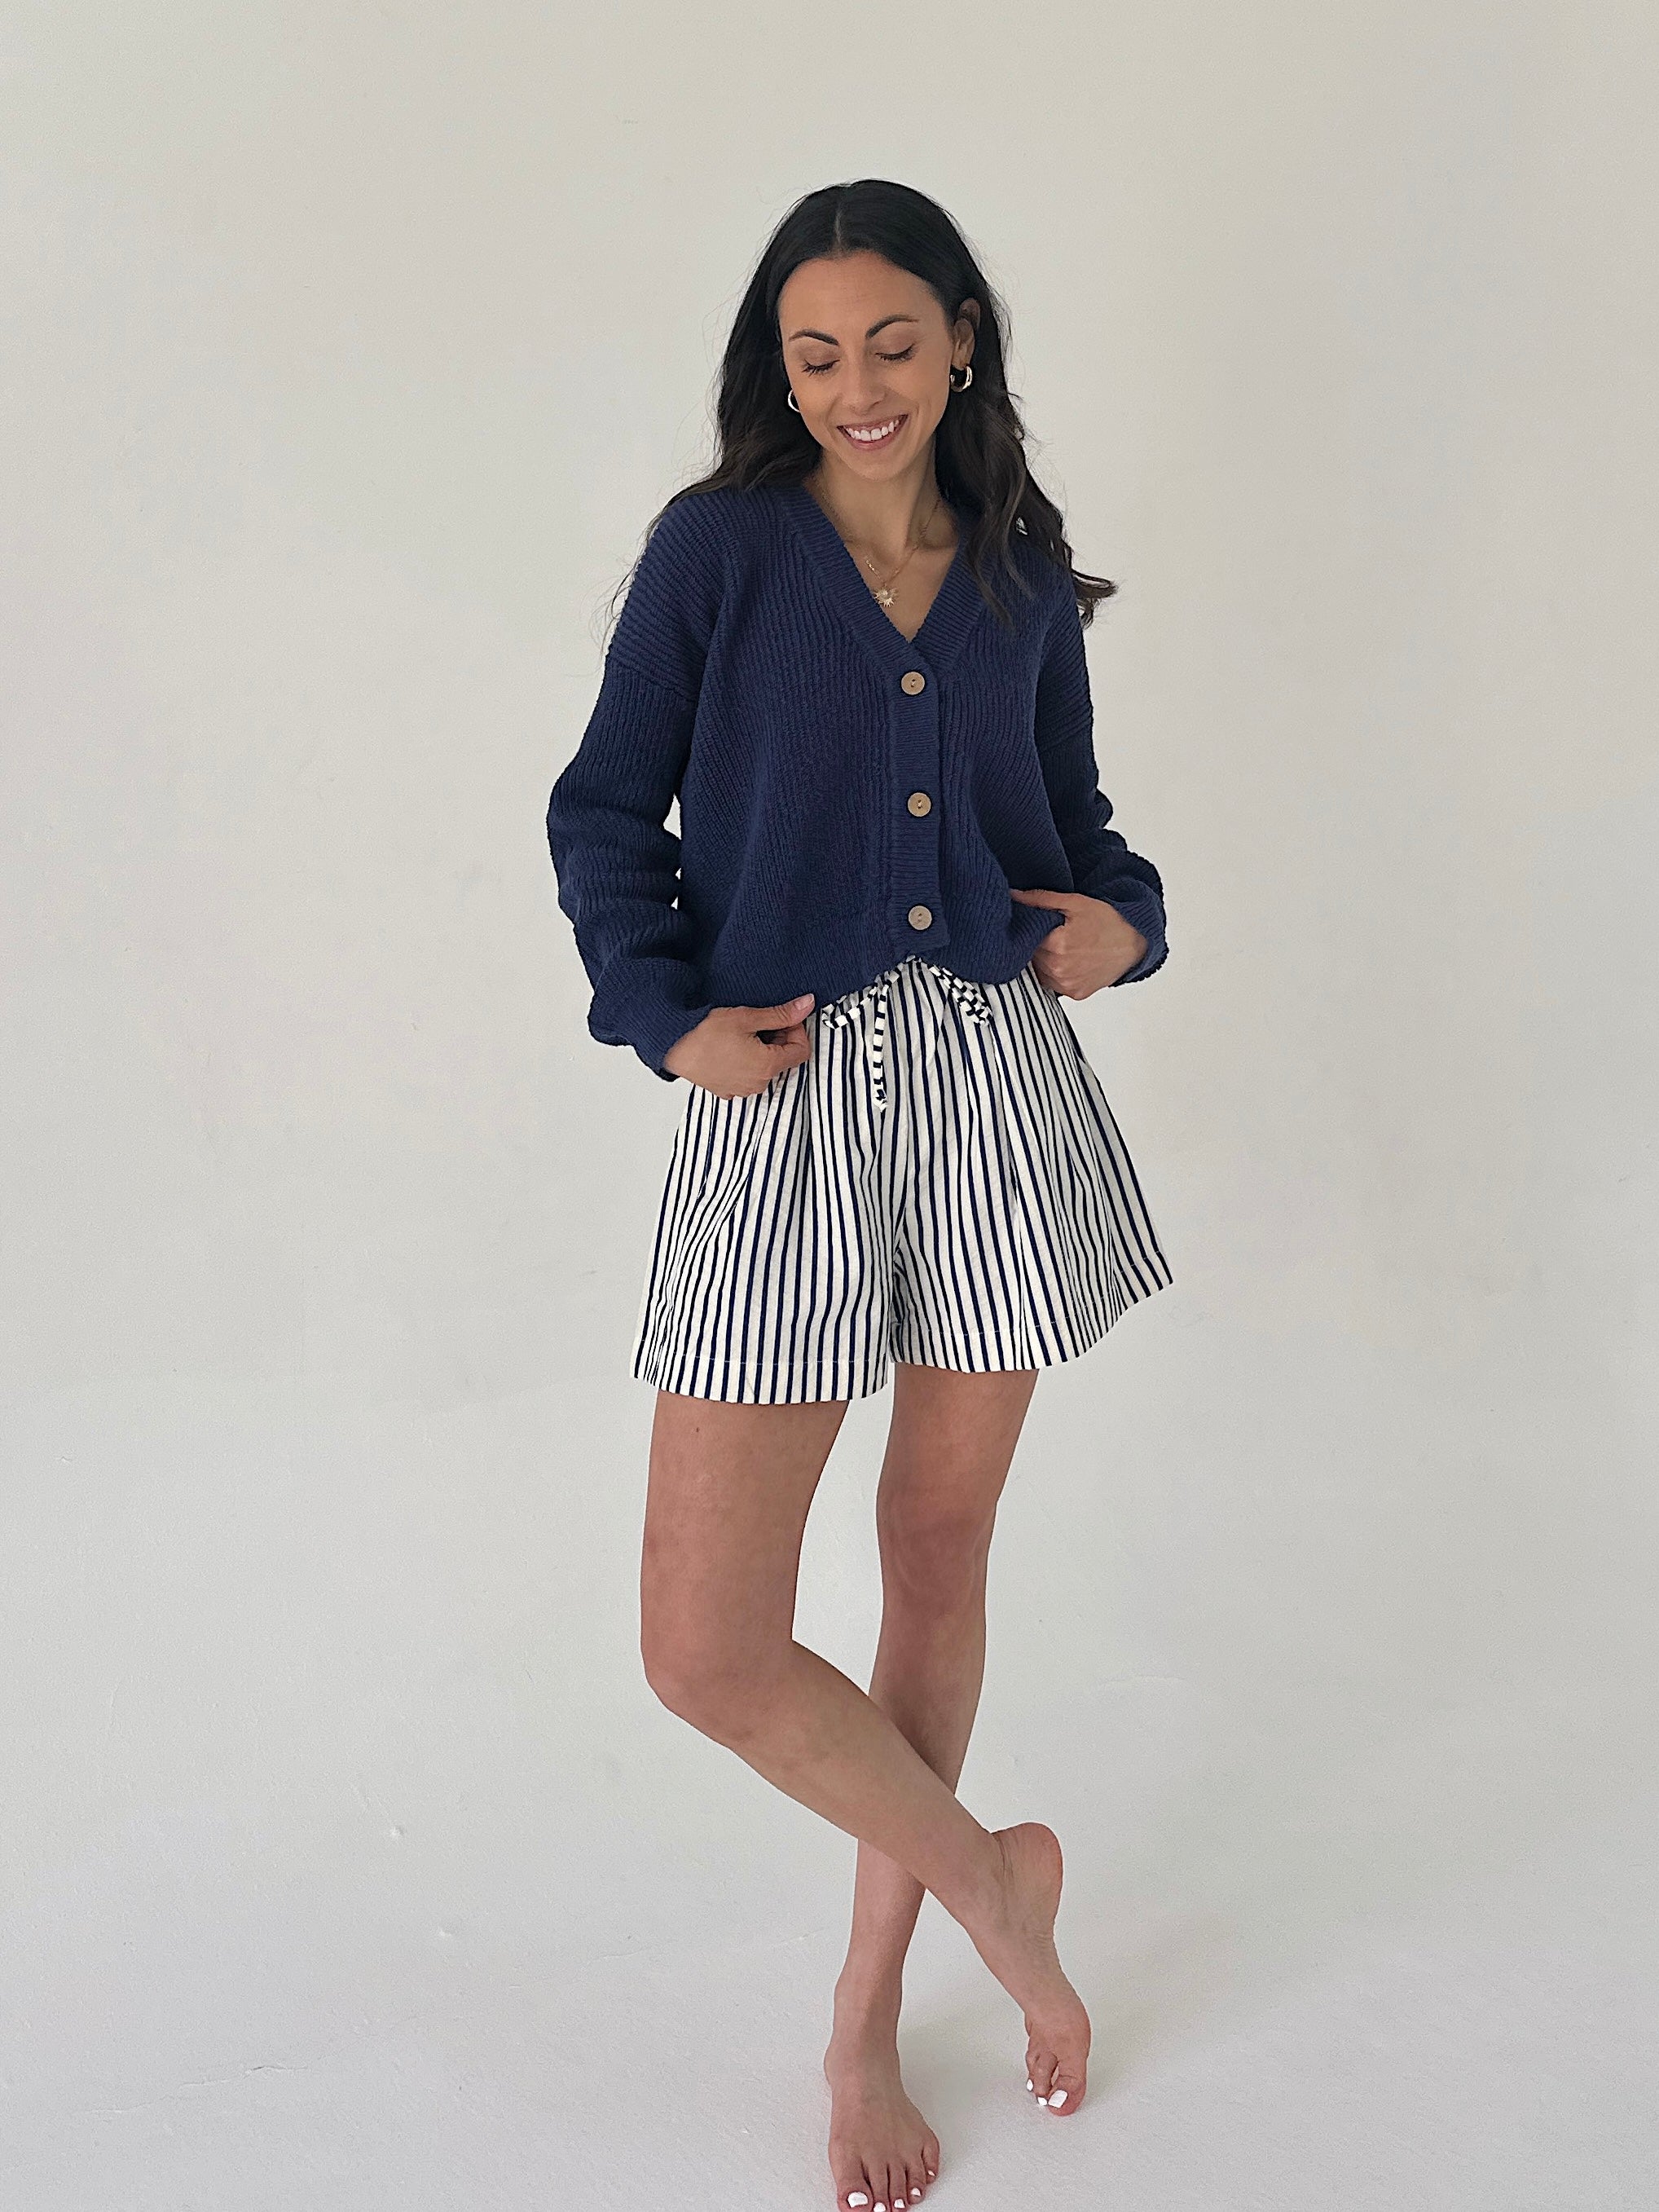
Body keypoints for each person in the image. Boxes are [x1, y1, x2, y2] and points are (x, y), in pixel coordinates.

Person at [547, 178, 1174, 2212]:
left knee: (933, 1551)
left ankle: (866, 2005)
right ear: (778, 370)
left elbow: (1073, 829)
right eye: (815, 354)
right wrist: (661, 1014)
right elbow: (599, 805)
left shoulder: (1012, 568)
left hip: (994, 1088)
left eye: (891, 342)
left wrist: (1124, 929)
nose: (855, 387)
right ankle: (994, 1882)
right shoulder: (718, 551)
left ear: (964, 337)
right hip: (788, 1093)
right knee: (705, 1644)